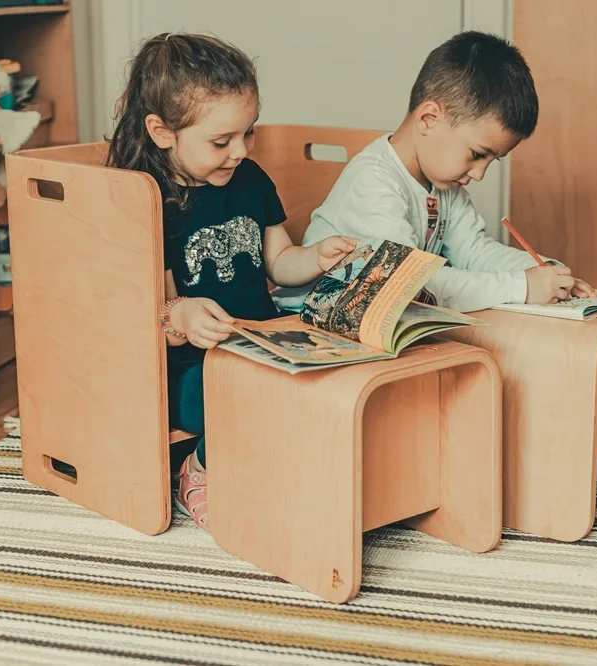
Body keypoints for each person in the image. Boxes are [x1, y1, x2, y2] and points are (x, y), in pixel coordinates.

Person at [106, 33, 356, 532]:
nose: (239, 151)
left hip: (262, 341)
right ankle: (199, 469)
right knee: (233, 395)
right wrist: (179, 313)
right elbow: (150, 309)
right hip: (187, 365)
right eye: (221, 141)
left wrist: (314, 258)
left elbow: (278, 261)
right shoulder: (146, 197)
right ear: (161, 131)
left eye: (249, 133)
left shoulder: (250, 179)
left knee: (329, 379)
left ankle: (283, 467)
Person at [302, 31, 597, 312]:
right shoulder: (374, 182)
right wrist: (521, 286)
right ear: (429, 119)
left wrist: (545, 272)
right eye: (477, 154)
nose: (479, 174)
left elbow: (475, 253)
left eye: (492, 160)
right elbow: (409, 283)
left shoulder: (444, 186)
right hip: (312, 321)